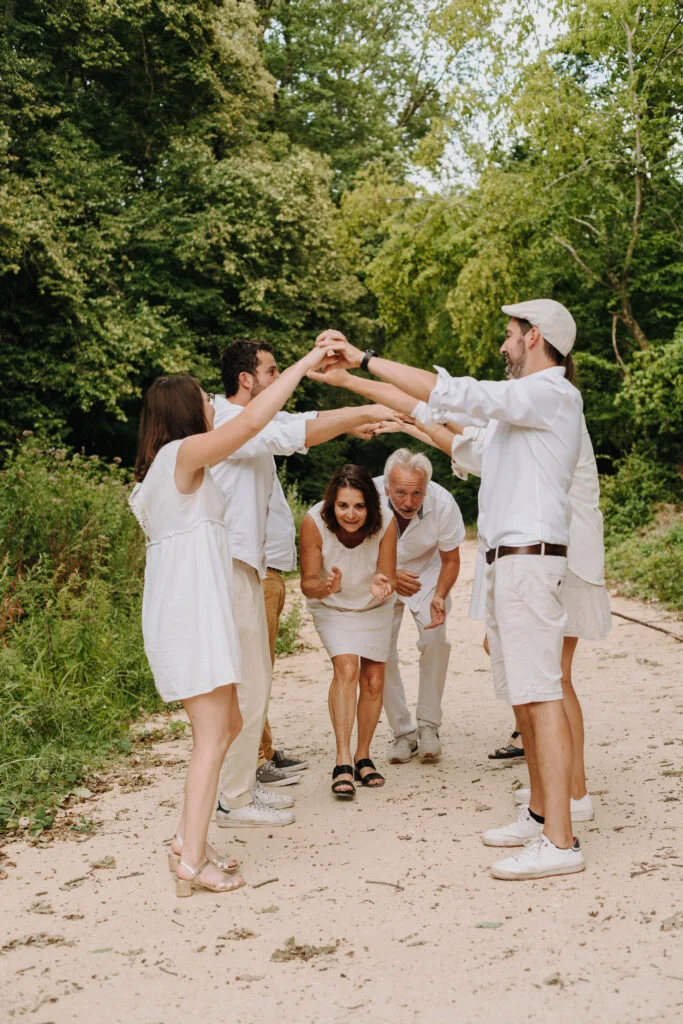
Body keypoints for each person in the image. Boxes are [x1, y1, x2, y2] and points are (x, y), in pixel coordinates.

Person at [315, 298, 587, 880]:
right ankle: (540, 814)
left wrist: (366, 357)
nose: (503, 344)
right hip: (510, 565)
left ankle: (561, 843)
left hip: (531, 563)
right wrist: (351, 381)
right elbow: (441, 420)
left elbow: (458, 394)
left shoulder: (550, 393)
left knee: (540, 696)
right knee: (524, 694)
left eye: (509, 334)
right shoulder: (521, 420)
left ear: (534, 336)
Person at [128, 345, 333, 895]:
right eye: (204, 401)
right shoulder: (182, 455)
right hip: (190, 614)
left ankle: (185, 839)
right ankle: (192, 860)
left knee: (230, 725)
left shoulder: (166, 468)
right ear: (185, 414)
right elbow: (256, 419)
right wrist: (305, 363)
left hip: (193, 610)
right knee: (213, 737)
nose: (213, 405)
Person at [211, 340, 392, 828]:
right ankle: (233, 798)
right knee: (244, 688)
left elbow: (295, 426)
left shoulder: (247, 425)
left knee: (255, 684)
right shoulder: (230, 422)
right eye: (271, 371)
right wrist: (364, 406)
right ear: (247, 379)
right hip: (226, 569)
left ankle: (239, 788)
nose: (277, 380)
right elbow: (300, 429)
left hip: (249, 569)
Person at [299, 464, 397, 798]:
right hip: (333, 606)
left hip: (374, 605)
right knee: (347, 669)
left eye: (359, 506)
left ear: (370, 506)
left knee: (374, 680)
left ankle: (363, 756)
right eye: (343, 506)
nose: (351, 514)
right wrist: (327, 588)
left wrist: (384, 582)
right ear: (332, 504)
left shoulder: (386, 522)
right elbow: (308, 585)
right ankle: (342, 758)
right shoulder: (313, 523)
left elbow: (387, 572)